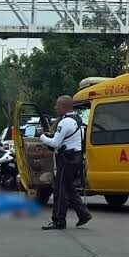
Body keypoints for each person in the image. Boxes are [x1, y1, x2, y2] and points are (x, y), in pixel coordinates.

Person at [40, 95, 92, 230]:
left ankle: (59, 220)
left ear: (63, 106)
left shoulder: (64, 122)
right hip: (75, 158)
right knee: (69, 188)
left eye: (57, 105)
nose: (55, 107)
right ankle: (83, 214)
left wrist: (42, 137)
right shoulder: (76, 120)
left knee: (60, 190)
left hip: (66, 160)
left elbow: (55, 143)